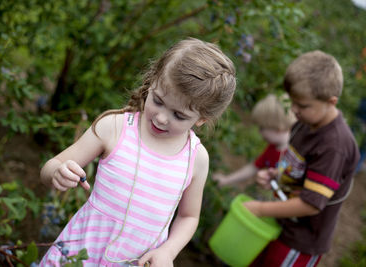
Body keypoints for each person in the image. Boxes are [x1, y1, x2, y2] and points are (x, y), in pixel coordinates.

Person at [39, 38, 237, 267]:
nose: (162, 118)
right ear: (152, 82)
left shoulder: (196, 158)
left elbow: (188, 216)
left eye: (179, 116)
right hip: (79, 253)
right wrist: (57, 173)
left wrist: (168, 251)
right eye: (158, 101)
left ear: (202, 119)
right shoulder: (115, 127)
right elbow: (51, 166)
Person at [244, 50, 360, 267]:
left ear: (331, 101)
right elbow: (297, 165)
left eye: (303, 105)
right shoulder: (306, 123)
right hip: (281, 223)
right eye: (293, 102)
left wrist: (260, 209)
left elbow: (311, 204)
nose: (294, 110)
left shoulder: (334, 146)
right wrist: (276, 175)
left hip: (301, 241)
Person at [212, 94, 296, 187]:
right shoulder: (271, 150)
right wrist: (226, 180)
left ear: (278, 127)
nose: (260, 132)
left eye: (262, 127)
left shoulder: (297, 152)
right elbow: (253, 167)